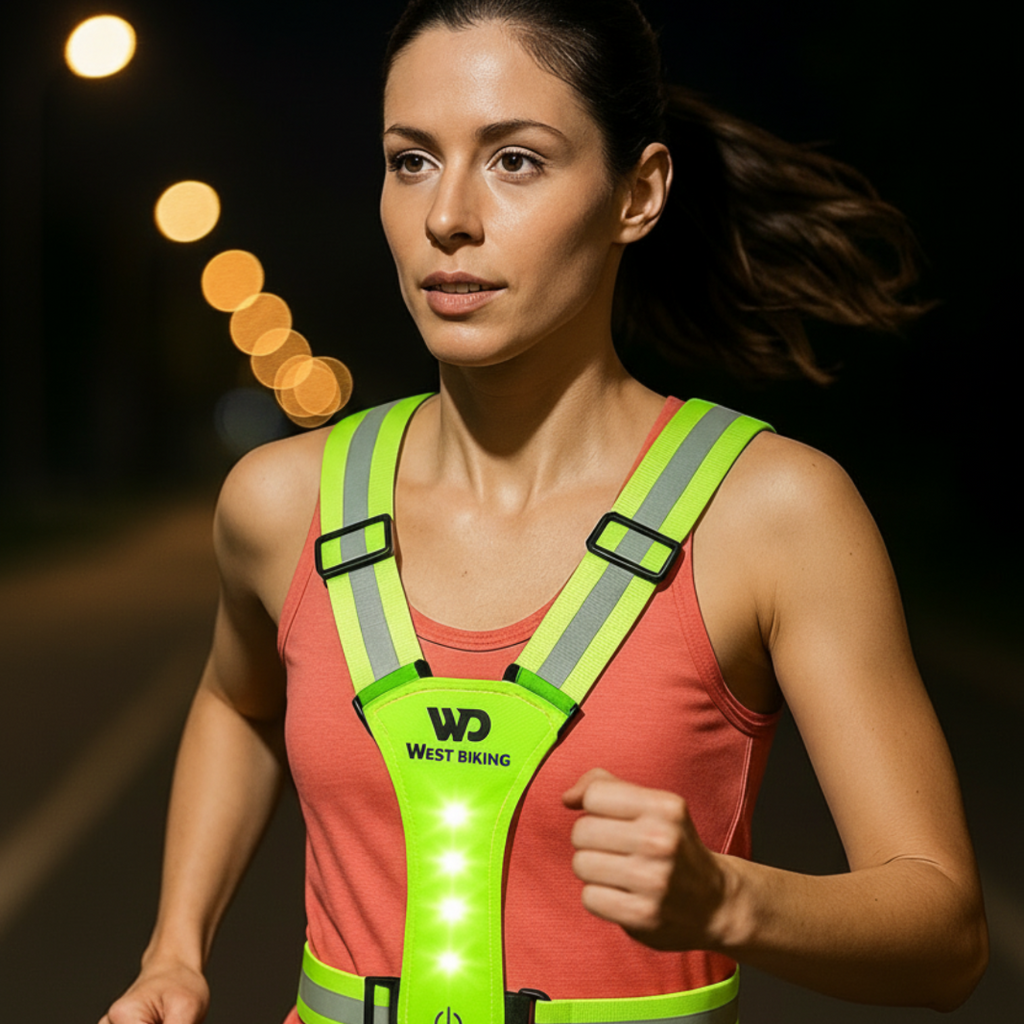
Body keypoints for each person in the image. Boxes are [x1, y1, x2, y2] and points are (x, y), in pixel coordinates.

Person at [102, 1, 988, 1021]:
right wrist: (175, 947)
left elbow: (946, 937)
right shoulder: (279, 501)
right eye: (411, 161)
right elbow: (238, 700)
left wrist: (727, 899)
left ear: (637, 193)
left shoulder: (770, 512)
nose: (447, 216)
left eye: (515, 160)